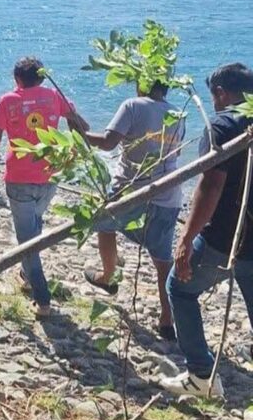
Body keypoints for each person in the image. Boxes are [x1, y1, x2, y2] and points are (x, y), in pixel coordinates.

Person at [161, 63, 253, 399]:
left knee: (179, 288)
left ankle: (201, 375)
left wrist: (186, 239)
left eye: (213, 96)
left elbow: (211, 185)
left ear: (221, 93)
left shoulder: (222, 125)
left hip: (225, 236)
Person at [0, 57, 87, 317]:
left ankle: (43, 299)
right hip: (50, 174)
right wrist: (77, 150)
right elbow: (77, 122)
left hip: (19, 177)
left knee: (27, 240)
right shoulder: (53, 95)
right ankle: (27, 275)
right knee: (34, 225)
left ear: (17, 79)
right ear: (41, 77)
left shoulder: (7, 100)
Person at [84, 81, 186, 340]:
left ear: (142, 82)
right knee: (162, 259)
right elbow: (175, 154)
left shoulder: (132, 105)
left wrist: (79, 132)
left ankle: (108, 276)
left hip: (131, 191)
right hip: (169, 193)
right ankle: (167, 319)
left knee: (104, 224)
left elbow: (108, 143)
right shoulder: (179, 113)